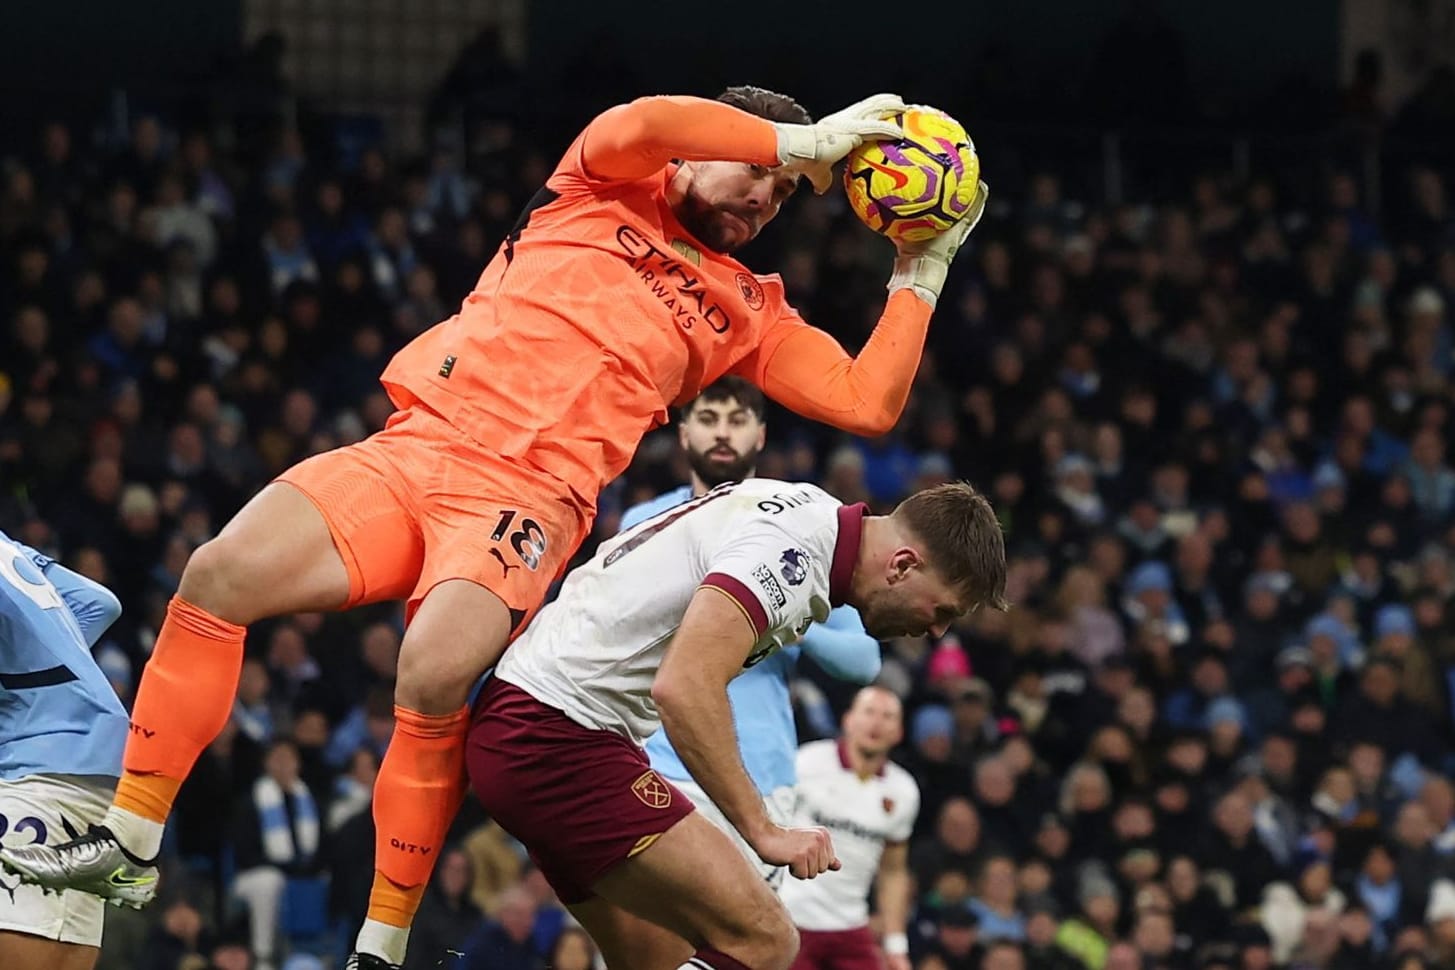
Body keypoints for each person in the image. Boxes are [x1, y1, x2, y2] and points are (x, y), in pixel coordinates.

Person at [1, 86, 988, 970]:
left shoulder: (748, 309)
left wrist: (923, 266)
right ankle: (128, 843)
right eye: (758, 177)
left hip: (525, 504)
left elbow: (865, 401)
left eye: (780, 200)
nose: (764, 201)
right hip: (418, 447)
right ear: (695, 156)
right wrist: (799, 140)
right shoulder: (599, 181)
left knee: (430, 671)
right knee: (216, 574)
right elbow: (643, 120)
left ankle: (380, 945)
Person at [468, 479, 1006, 970]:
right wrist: (763, 830)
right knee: (767, 938)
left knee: (659, 957)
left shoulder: (807, 510)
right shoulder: (794, 553)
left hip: (537, 725)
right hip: (555, 734)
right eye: (944, 611)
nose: (937, 632)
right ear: (903, 565)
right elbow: (684, 687)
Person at [622, 376, 883, 886]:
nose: (723, 434)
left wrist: (787, 617)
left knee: (745, 952)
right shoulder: (645, 518)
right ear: (683, 434)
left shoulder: (805, 522)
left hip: (761, 770)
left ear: (760, 435)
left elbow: (865, 661)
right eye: (708, 419)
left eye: (738, 421)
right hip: (654, 757)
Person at [0, 529, 127, 970]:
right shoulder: (9, 547)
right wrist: (38, 668)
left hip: (34, 768)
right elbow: (100, 604)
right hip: (102, 767)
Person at [780, 687, 919, 970]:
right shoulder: (806, 763)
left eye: (888, 716)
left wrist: (895, 946)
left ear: (899, 732)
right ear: (848, 720)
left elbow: (893, 872)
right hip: (790, 920)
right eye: (869, 712)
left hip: (850, 925)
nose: (876, 723)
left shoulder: (904, 791)